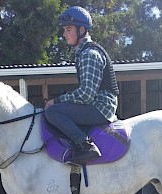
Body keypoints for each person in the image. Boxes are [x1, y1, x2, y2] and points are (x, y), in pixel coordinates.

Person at [44, 6, 119, 165]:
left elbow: (85, 95)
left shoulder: (89, 54)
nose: (64, 34)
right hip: (99, 104)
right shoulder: (84, 53)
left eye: (68, 29)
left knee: (52, 112)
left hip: (100, 107)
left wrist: (55, 101)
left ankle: (86, 146)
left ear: (82, 30)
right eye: (64, 30)